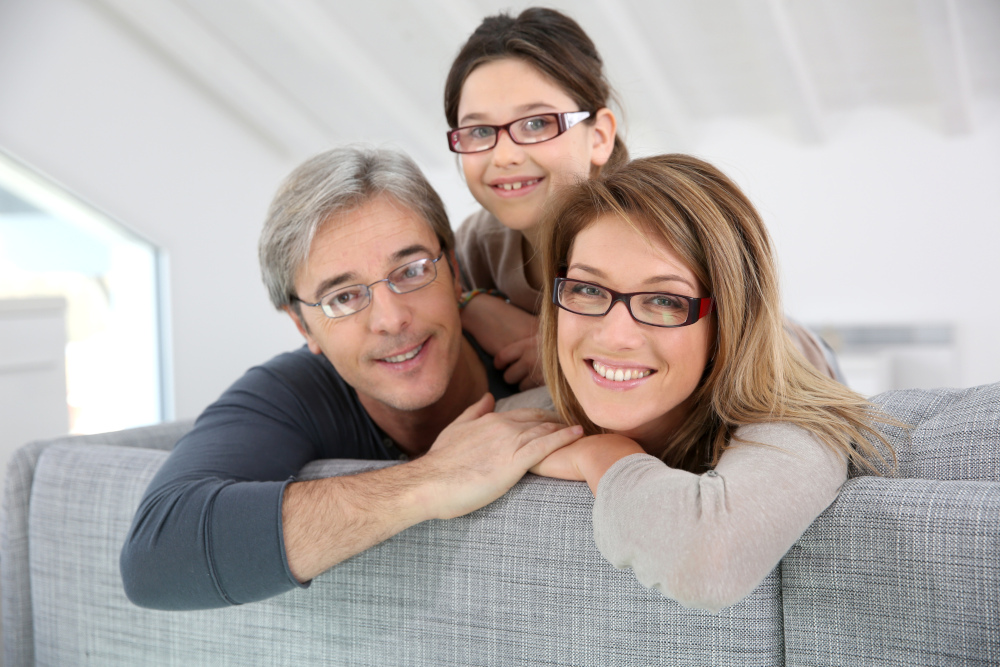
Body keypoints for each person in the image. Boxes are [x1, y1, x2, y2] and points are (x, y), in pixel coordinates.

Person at [120, 145, 582, 610]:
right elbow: (156, 557)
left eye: (412, 271)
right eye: (342, 297)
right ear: (303, 327)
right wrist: (432, 479)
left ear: (455, 273)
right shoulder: (293, 391)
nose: (390, 318)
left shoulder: (542, 349)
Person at [529, 154, 895, 612]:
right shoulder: (526, 413)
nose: (614, 336)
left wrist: (606, 454)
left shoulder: (797, 420)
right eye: (586, 288)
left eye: (664, 299)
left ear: (726, 322)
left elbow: (707, 562)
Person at [443, 7, 839, 391]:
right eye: (478, 131)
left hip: (795, 368)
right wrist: (472, 304)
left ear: (599, 137)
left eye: (536, 123)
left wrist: (558, 353)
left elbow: (754, 356)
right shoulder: (481, 241)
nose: (504, 155)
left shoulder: (651, 224)